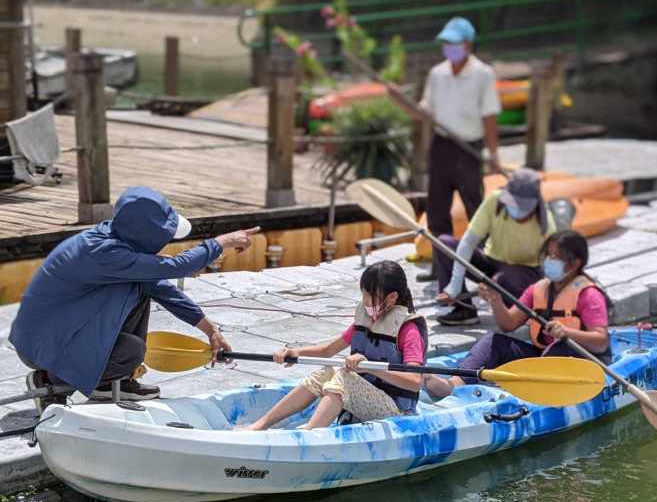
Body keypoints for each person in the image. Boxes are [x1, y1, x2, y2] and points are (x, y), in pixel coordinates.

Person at [10, 185, 259, 415]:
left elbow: (161, 287)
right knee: (130, 352)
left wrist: (211, 330)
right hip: (41, 347)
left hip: (56, 332)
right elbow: (177, 266)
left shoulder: (116, 241)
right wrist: (221, 242)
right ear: (146, 235)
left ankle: (107, 384)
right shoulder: (104, 253)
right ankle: (50, 383)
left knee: (138, 291)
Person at [242, 261, 427, 431]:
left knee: (344, 378)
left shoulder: (408, 330)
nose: (365, 301)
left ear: (392, 297)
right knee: (329, 370)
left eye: (370, 295)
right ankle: (261, 424)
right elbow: (328, 351)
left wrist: (369, 366)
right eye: (363, 293)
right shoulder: (367, 321)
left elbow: (413, 382)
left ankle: (308, 436)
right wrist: (295, 351)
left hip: (398, 411)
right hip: (370, 397)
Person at [425, 230, 611, 398]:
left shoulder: (589, 294)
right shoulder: (538, 289)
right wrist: (496, 300)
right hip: (543, 358)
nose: (550, 261)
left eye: (557, 257)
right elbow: (509, 324)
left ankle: (531, 394)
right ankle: (455, 385)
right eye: (548, 255)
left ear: (575, 263)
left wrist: (567, 333)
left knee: (559, 348)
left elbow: (600, 341)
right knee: (493, 341)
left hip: (580, 361)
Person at [413, 16, 502, 282]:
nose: (449, 47)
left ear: (468, 43)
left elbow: (489, 116)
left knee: (475, 205)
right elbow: (426, 112)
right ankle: (440, 264)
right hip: (442, 145)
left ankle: (482, 263)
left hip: (468, 148)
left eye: (454, 42)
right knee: (437, 207)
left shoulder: (482, 74)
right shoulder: (437, 73)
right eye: (446, 42)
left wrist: (494, 154)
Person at [433, 167, 556, 326]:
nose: (515, 209)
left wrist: (548, 304)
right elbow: (468, 241)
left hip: (523, 272)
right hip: (492, 261)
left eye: (521, 206)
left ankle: (513, 308)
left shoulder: (547, 226)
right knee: (443, 243)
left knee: (503, 280)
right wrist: (454, 284)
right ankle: (463, 309)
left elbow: (550, 270)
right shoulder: (495, 200)